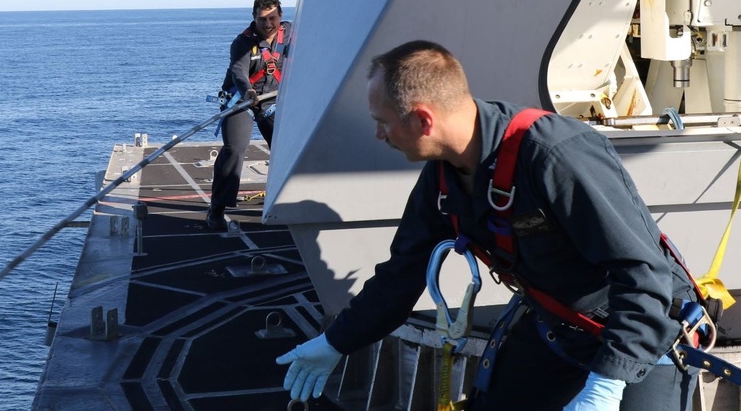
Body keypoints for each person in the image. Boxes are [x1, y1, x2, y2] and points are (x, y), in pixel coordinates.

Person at [276, 40, 701, 410]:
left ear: (423, 120)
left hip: (641, 328)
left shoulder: (556, 155)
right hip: (558, 322)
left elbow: (643, 274)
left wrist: (608, 382)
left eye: (382, 122)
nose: (379, 135)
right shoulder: (444, 177)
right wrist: (336, 342)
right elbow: (400, 277)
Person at [206, 0, 291, 230]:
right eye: (262, 19)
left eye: (272, 18)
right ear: (254, 18)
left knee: (286, 148)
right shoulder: (242, 43)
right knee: (234, 149)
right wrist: (248, 92)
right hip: (240, 100)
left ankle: (287, 201)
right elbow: (238, 72)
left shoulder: (291, 33)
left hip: (271, 100)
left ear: (280, 16)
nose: (268, 24)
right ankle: (217, 209)